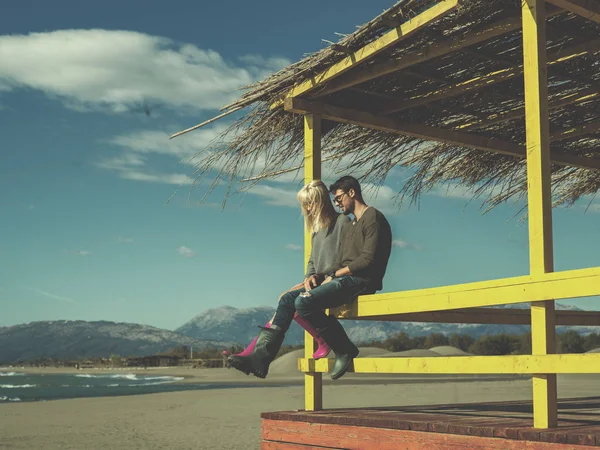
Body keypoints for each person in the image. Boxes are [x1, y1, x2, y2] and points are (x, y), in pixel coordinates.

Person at [227, 175, 392, 380]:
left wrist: (332, 275)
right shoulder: (352, 224)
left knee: (303, 303)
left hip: (360, 281)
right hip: (341, 278)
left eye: (339, 198)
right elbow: (338, 261)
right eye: (334, 200)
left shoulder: (370, 217)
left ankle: (343, 348)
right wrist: (318, 275)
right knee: (288, 299)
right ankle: (260, 358)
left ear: (352, 192)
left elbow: (367, 260)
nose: (337, 203)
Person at [223, 179, 351, 367]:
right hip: (320, 281)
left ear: (322, 200)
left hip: (336, 281)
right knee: (286, 298)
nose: (307, 208)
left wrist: (325, 277)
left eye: (310, 203)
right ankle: (250, 354)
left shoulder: (342, 221)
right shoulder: (316, 231)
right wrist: (307, 279)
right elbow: (313, 260)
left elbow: (347, 257)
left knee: (289, 301)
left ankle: (256, 356)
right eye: (304, 204)